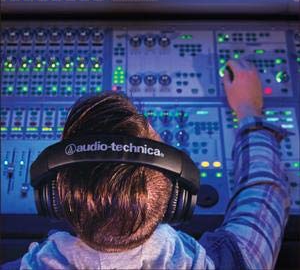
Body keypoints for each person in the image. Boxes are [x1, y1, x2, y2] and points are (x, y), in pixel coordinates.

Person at [2, 60, 290, 269]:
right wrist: (249, 111)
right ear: (176, 199)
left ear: (55, 196)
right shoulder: (232, 262)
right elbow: (268, 193)